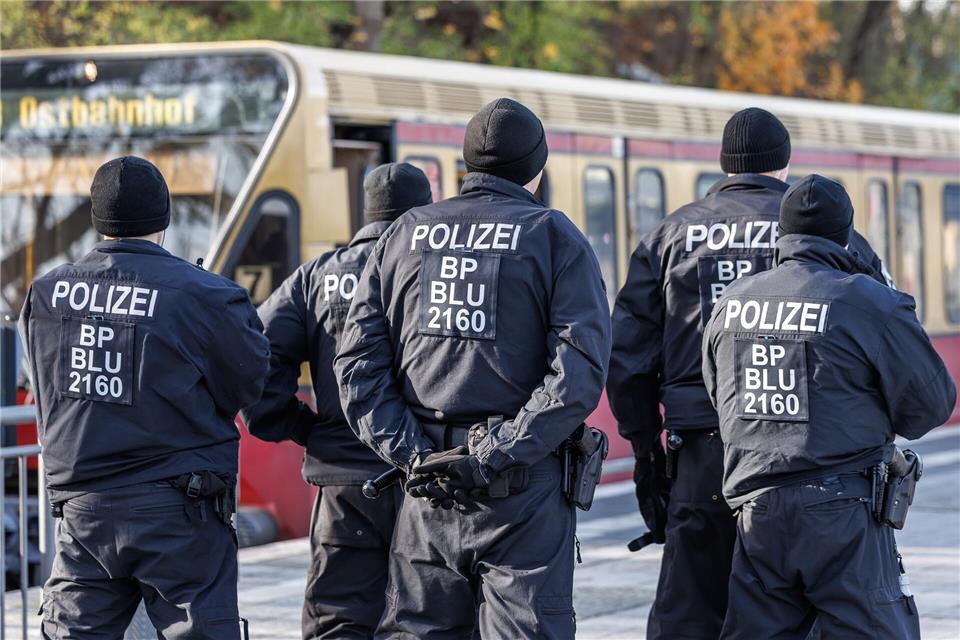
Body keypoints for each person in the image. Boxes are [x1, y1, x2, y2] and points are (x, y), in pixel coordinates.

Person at [606, 107, 889, 639]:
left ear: (723, 163)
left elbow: (629, 360)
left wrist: (647, 448)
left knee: (690, 608)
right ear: (783, 165)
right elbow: (884, 331)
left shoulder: (669, 236)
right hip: (807, 453)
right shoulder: (831, 237)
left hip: (701, 451)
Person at [335, 98, 611, 639]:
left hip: (425, 492)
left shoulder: (405, 233)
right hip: (523, 492)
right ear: (537, 168)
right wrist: (490, 456)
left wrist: (416, 456)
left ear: (466, 165)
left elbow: (357, 365)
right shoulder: (554, 237)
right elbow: (577, 372)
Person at [18, 156, 269, 639]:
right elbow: (246, 384)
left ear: (95, 219)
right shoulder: (206, 295)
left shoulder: (47, 294)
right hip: (180, 512)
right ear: (164, 218)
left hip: (82, 511)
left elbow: (46, 383)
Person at [702, 174, 956, 639]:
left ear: (782, 233)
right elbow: (931, 405)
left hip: (757, 513)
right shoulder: (868, 301)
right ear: (846, 235)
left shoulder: (730, 304)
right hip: (843, 515)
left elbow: (720, 396)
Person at [241, 162, 433, 639]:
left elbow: (256, 356)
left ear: (366, 212)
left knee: (338, 620)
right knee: (430, 618)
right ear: (425, 210)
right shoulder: (438, 270)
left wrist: (302, 427)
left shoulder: (317, 277)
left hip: (344, 485)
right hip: (431, 476)